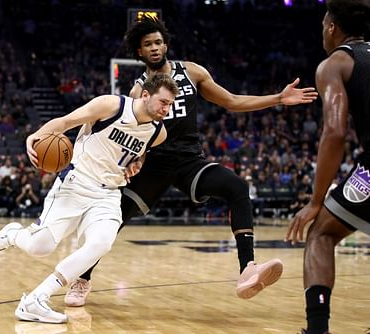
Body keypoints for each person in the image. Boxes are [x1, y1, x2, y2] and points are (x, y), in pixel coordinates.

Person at [64, 14, 319, 307]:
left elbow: (232, 101)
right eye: (148, 44)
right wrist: (133, 159)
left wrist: (277, 98)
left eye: (159, 42)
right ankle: (81, 279)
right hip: (154, 166)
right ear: (139, 51)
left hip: (189, 162)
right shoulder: (138, 90)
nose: (155, 47)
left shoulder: (192, 72)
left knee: (237, 187)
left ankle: (247, 269)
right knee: (112, 221)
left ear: (166, 44)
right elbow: (135, 134)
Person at [0, 73, 179, 323]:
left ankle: (37, 298)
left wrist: (135, 162)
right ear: (146, 95)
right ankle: (12, 235)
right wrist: (35, 136)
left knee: (101, 244)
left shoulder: (159, 132)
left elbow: (141, 151)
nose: (166, 109)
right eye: (163, 102)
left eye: (170, 104)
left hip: (108, 194)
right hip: (76, 183)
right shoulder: (112, 105)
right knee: (41, 247)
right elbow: (66, 122)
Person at [285, 1, 370, 333]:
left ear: (332, 27)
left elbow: (335, 132)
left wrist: (316, 200)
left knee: (321, 231)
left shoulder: (336, 63)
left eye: (323, 23)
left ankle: (318, 329)